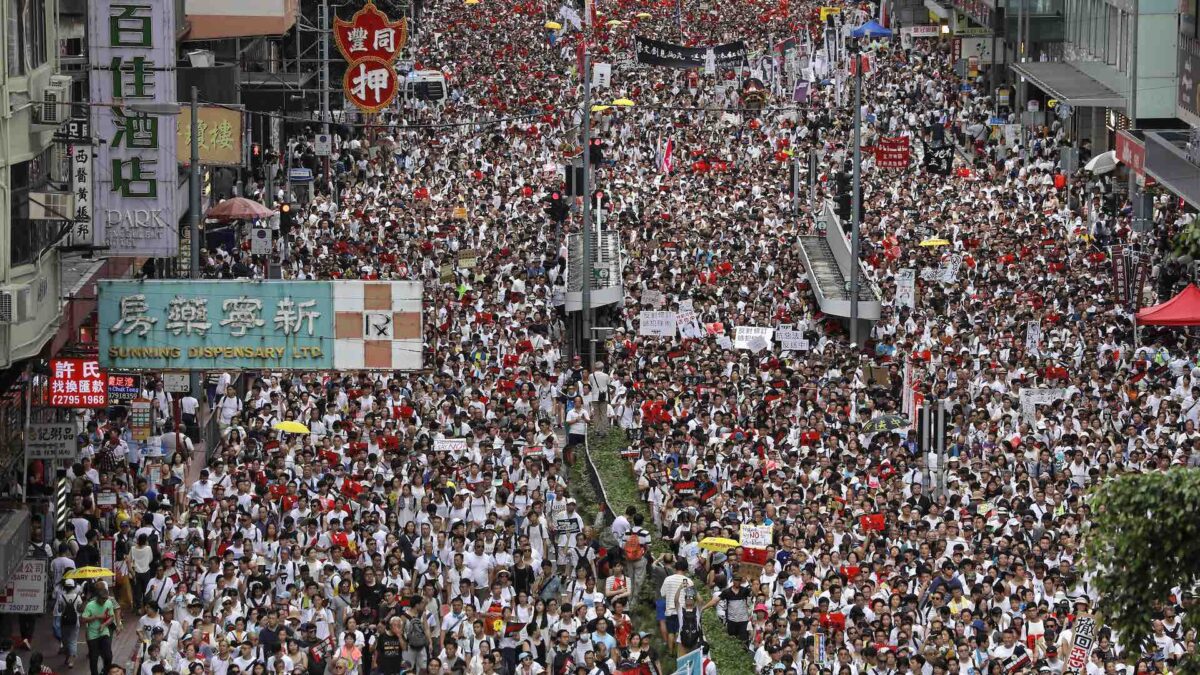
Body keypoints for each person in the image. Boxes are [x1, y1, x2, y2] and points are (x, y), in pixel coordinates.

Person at [82, 581, 122, 675]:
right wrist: (96, 617)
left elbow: (112, 617)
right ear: (97, 597)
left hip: (104, 632)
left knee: (108, 656)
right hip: (92, 635)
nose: (104, 601)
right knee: (94, 658)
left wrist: (105, 625)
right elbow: (83, 619)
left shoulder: (109, 602)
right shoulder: (90, 605)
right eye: (102, 599)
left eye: (105, 599)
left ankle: (106, 672)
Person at [56, 578, 84, 668]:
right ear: (73, 587)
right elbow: (80, 609)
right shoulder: (77, 597)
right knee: (73, 640)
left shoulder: (61, 597)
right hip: (75, 621)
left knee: (65, 640)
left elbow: (59, 610)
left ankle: (67, 657)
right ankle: (71, 660)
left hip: (64, 621)